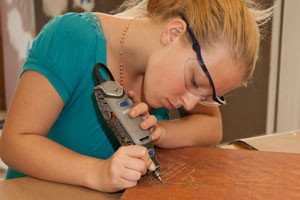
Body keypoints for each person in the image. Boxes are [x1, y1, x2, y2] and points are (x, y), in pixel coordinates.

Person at [0, 0, 271, 192]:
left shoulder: (179, 77)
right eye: (193, 82)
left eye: (207, 96)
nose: (190, 103)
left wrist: (160, 132)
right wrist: (98, 173)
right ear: (174, 32)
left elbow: (212, 127)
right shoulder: (70, 38)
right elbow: (14, 144)